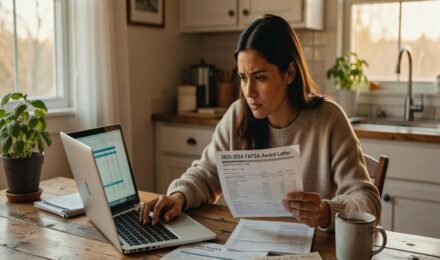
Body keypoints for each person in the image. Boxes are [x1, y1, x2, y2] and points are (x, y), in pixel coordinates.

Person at [140, 14, 381, 229]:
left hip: (310, 250)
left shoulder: (329, 119)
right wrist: (179, 196)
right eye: (243, 78)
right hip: (244, 244)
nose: (249, 91)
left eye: (260, 77)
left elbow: (367, 200)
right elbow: (205, 175)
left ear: (290, 73)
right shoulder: (237, 115)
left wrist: (327, 211)